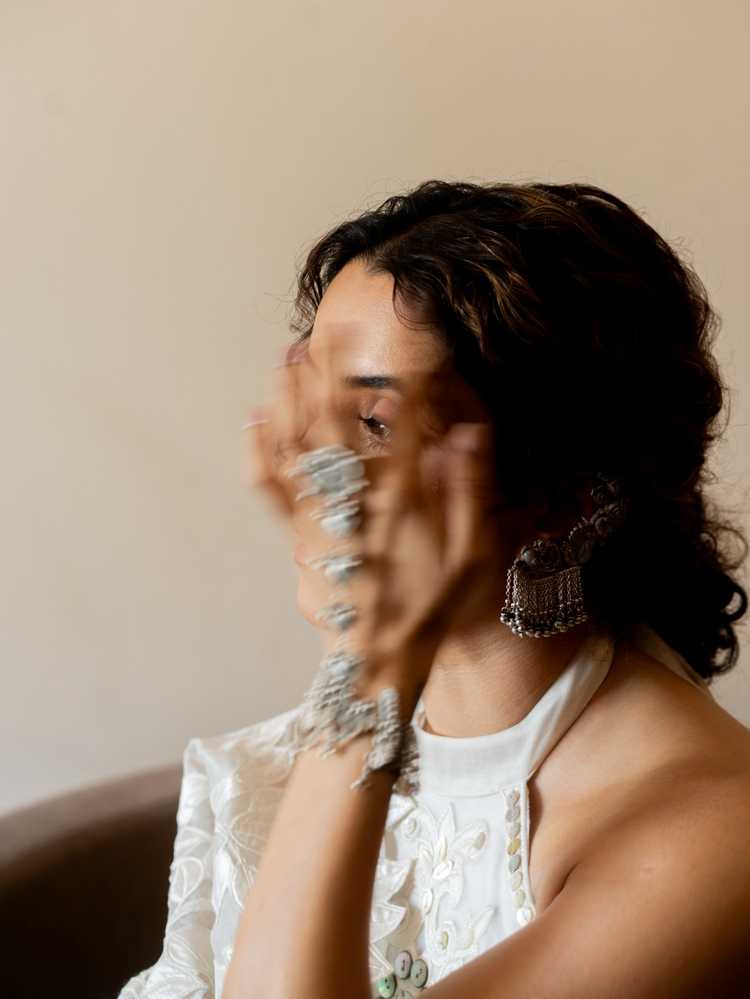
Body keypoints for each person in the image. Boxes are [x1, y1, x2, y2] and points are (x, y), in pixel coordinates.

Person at [119, 180, 750, 999]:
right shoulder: (272, 773)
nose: (305, 460)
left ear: (565, 493)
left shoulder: (710, 838)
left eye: (374, 423)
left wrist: (368, 668)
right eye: (310, 400)